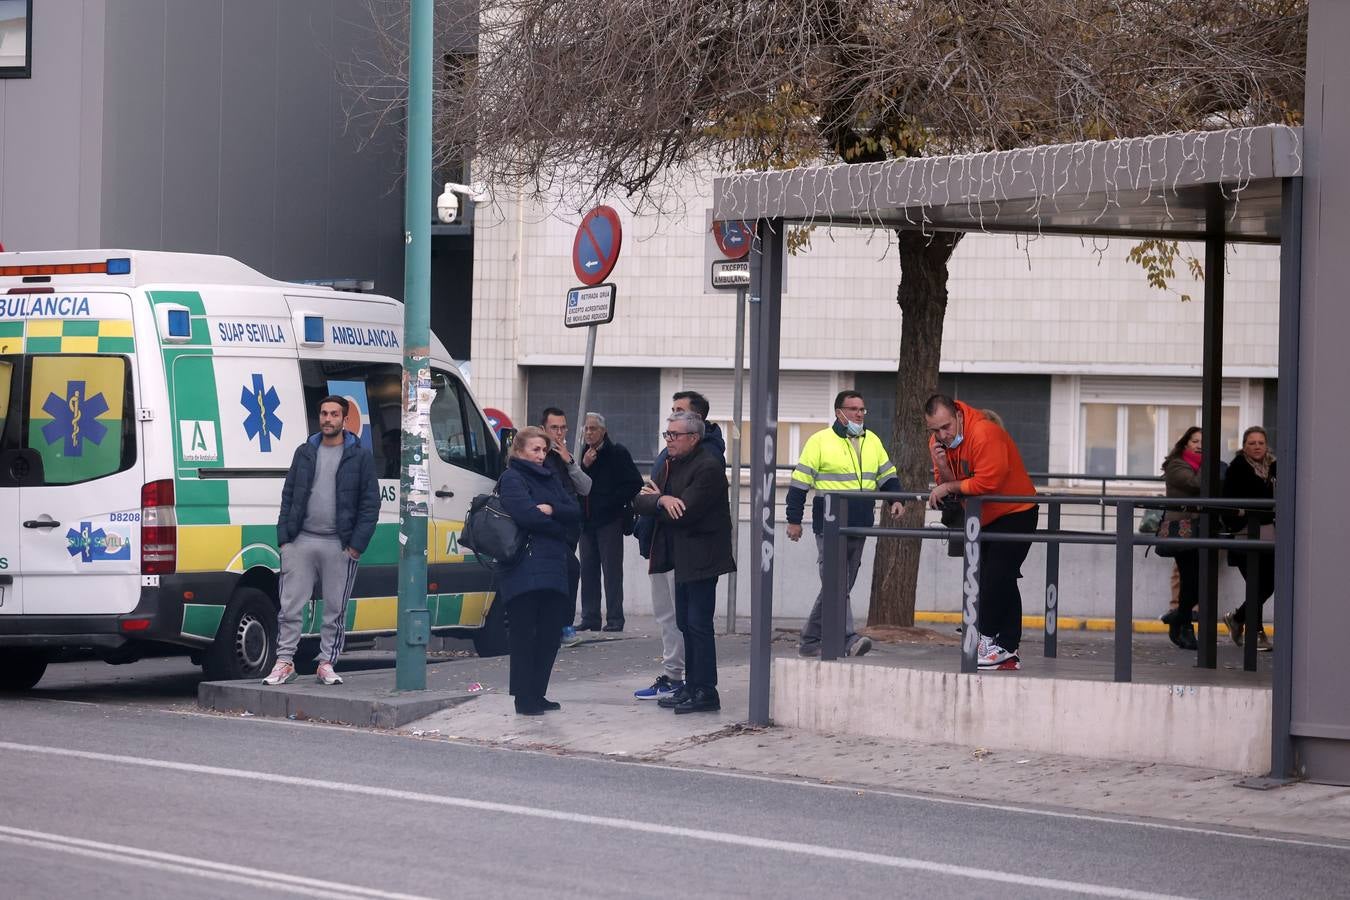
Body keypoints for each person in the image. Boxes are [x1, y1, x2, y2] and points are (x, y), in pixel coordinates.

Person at [264, 395, 379, 686]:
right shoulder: (305, 451)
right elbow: (288, 494)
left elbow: (370, 504)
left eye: (334, 414)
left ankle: (326, 663)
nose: (328, 419)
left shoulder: (359, 455)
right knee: (289, 606)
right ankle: (284, 662)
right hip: (300, 541)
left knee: (334, 608)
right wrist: (284, 539)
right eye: (324, 413)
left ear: (345, 419)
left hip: (338, 545)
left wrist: (355, 546)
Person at [786, 390, 903, 658]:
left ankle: (809, 640)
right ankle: (848, 638)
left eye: (862, 409)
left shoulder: (871, 440)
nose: (859, 414)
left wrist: (896, 498)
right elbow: (799, 484)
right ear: (839, 412)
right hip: (829, 524)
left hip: (860, 522)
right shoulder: (819, 441)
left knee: (839, 585)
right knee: (836, 582)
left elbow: (887, 475)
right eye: (853, 409)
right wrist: (794, 520)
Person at [925, 394, 1038, 671]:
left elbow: (989, 482)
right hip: (983, 516)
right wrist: (941, 468)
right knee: (1000, 577)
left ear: (959, 416)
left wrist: (949, 487)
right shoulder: (937, 444)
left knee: (996, 576)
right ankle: (1007, 648)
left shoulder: (985, 433)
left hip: (1016, 511)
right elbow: (950, 485)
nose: (942, 435)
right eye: (934, 430)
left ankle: (987, 638)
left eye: (946, 427)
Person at [633, 411, 735, 714]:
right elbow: (640, 499)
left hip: (703, 557)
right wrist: (662, 499)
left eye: (674, 435)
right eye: (667, 435)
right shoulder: (671, 464)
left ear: (693, 437)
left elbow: (685, 512)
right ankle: (691, 686)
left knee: (698, 624)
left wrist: (660, 501)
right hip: (679, 556)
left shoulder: (708, 467)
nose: (669, 440)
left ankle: (706, 690)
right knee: (683, 624)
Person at [496, 426, 582, 715]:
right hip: (523, 565)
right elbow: (526, 515)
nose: (541, 455)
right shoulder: (511, 478)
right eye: (535, 449)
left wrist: (552, 510)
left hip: (554, 565)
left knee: (549, 633)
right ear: (519, 450)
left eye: (544, 450)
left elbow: (575, 510)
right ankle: (524, 697)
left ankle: (538, 692)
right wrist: (557, 523)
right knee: (524, 633)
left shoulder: (552, 476)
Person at [579, 412, 643, 632]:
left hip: (609, 521)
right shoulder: (581, 454)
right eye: (586, 428)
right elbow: (577, 482)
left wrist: (611, 503)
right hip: (586, 522)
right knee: (587, 570)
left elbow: (634, 483)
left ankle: (615, 618)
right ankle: (590, 617)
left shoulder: (617, 453)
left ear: (603, 431)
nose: (588, 432)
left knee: (612, 571)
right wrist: (584, 465)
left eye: (593, 428)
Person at [1221, 426, 1276, 651]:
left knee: (1268, 582)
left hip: (1270, 533)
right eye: (1252, 443)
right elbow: (1236, 500)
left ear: (1266, 445)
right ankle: (1257, 633)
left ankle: (1237, 618)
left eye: (1260, 442)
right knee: (1256, 583)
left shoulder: (1274, 466)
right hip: (1245, 533)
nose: (1257, 447)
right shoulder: (1238, 468)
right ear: (1244, 446)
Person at [540, 408, 591, 645]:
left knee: (567, 573)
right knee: (570, 570)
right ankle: (562, 626)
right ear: (543, 430)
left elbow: (586, 487)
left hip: (570, 527)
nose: (559, 433)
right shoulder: (538, 456)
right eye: (554, 428)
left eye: (563, 428)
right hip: (550, 527)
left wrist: (570, 461)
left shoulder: (567, 457)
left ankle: (560, 625)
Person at [1159, 426, 1204, 650]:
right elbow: (1197, 485)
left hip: (1201, 530)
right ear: (1186, 443)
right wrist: (1210, 466)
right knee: (1190, 578)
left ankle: (1180, 619)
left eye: (1204, 442)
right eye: (1195, 441)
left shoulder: (1200, 466)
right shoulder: (1176, 465)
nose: (1200, 445)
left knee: (1195, 581)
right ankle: (1183, 622)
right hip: (1182, 530)